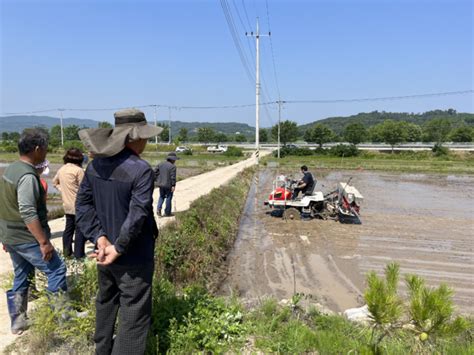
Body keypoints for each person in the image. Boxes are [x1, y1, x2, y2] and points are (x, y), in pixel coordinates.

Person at [76, 108, 162, 355]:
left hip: (103, 253)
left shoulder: (96, 166)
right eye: (145, 136)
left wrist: (99, 237)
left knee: (106, 302)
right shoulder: (141, 169)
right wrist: (119, 247)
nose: (147, 141)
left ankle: (102, 350)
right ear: (134, 137)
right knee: (134, 316)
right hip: (132, 257)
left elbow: (83, 205)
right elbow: (137, 214)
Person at [0, 129, 67, 335]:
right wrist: (44, 242)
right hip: (26, 237)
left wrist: (5, 237)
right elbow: (28, 212)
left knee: (23, 273)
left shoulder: (11, 169)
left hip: (11, 235)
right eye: (46, 148)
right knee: (56, 269)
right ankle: (61, 318)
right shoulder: (28, 176)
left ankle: (18, 321)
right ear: (37, 149)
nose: (47, 151)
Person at [53, 148, 87, 259]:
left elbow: (54, 182)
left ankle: (67, 253)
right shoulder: (78, 170)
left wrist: (62, 189)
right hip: (78, 204)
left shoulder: (62, 169)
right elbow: (85, 188)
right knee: (80, 230)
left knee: (68, 229)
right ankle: (79, 254)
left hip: (67, 204)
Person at [154, 152, 179, 217]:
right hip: (168, 185)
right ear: (172, 160)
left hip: (161, 184)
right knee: (168, 197)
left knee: (161, 196)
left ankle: (158, 208)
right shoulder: (173, 167)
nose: (175, 161)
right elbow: (172, 177)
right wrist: (173, 185)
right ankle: (167, 212)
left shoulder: (160, 164)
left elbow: (154, 172)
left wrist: (157, 179)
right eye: (175, 160)